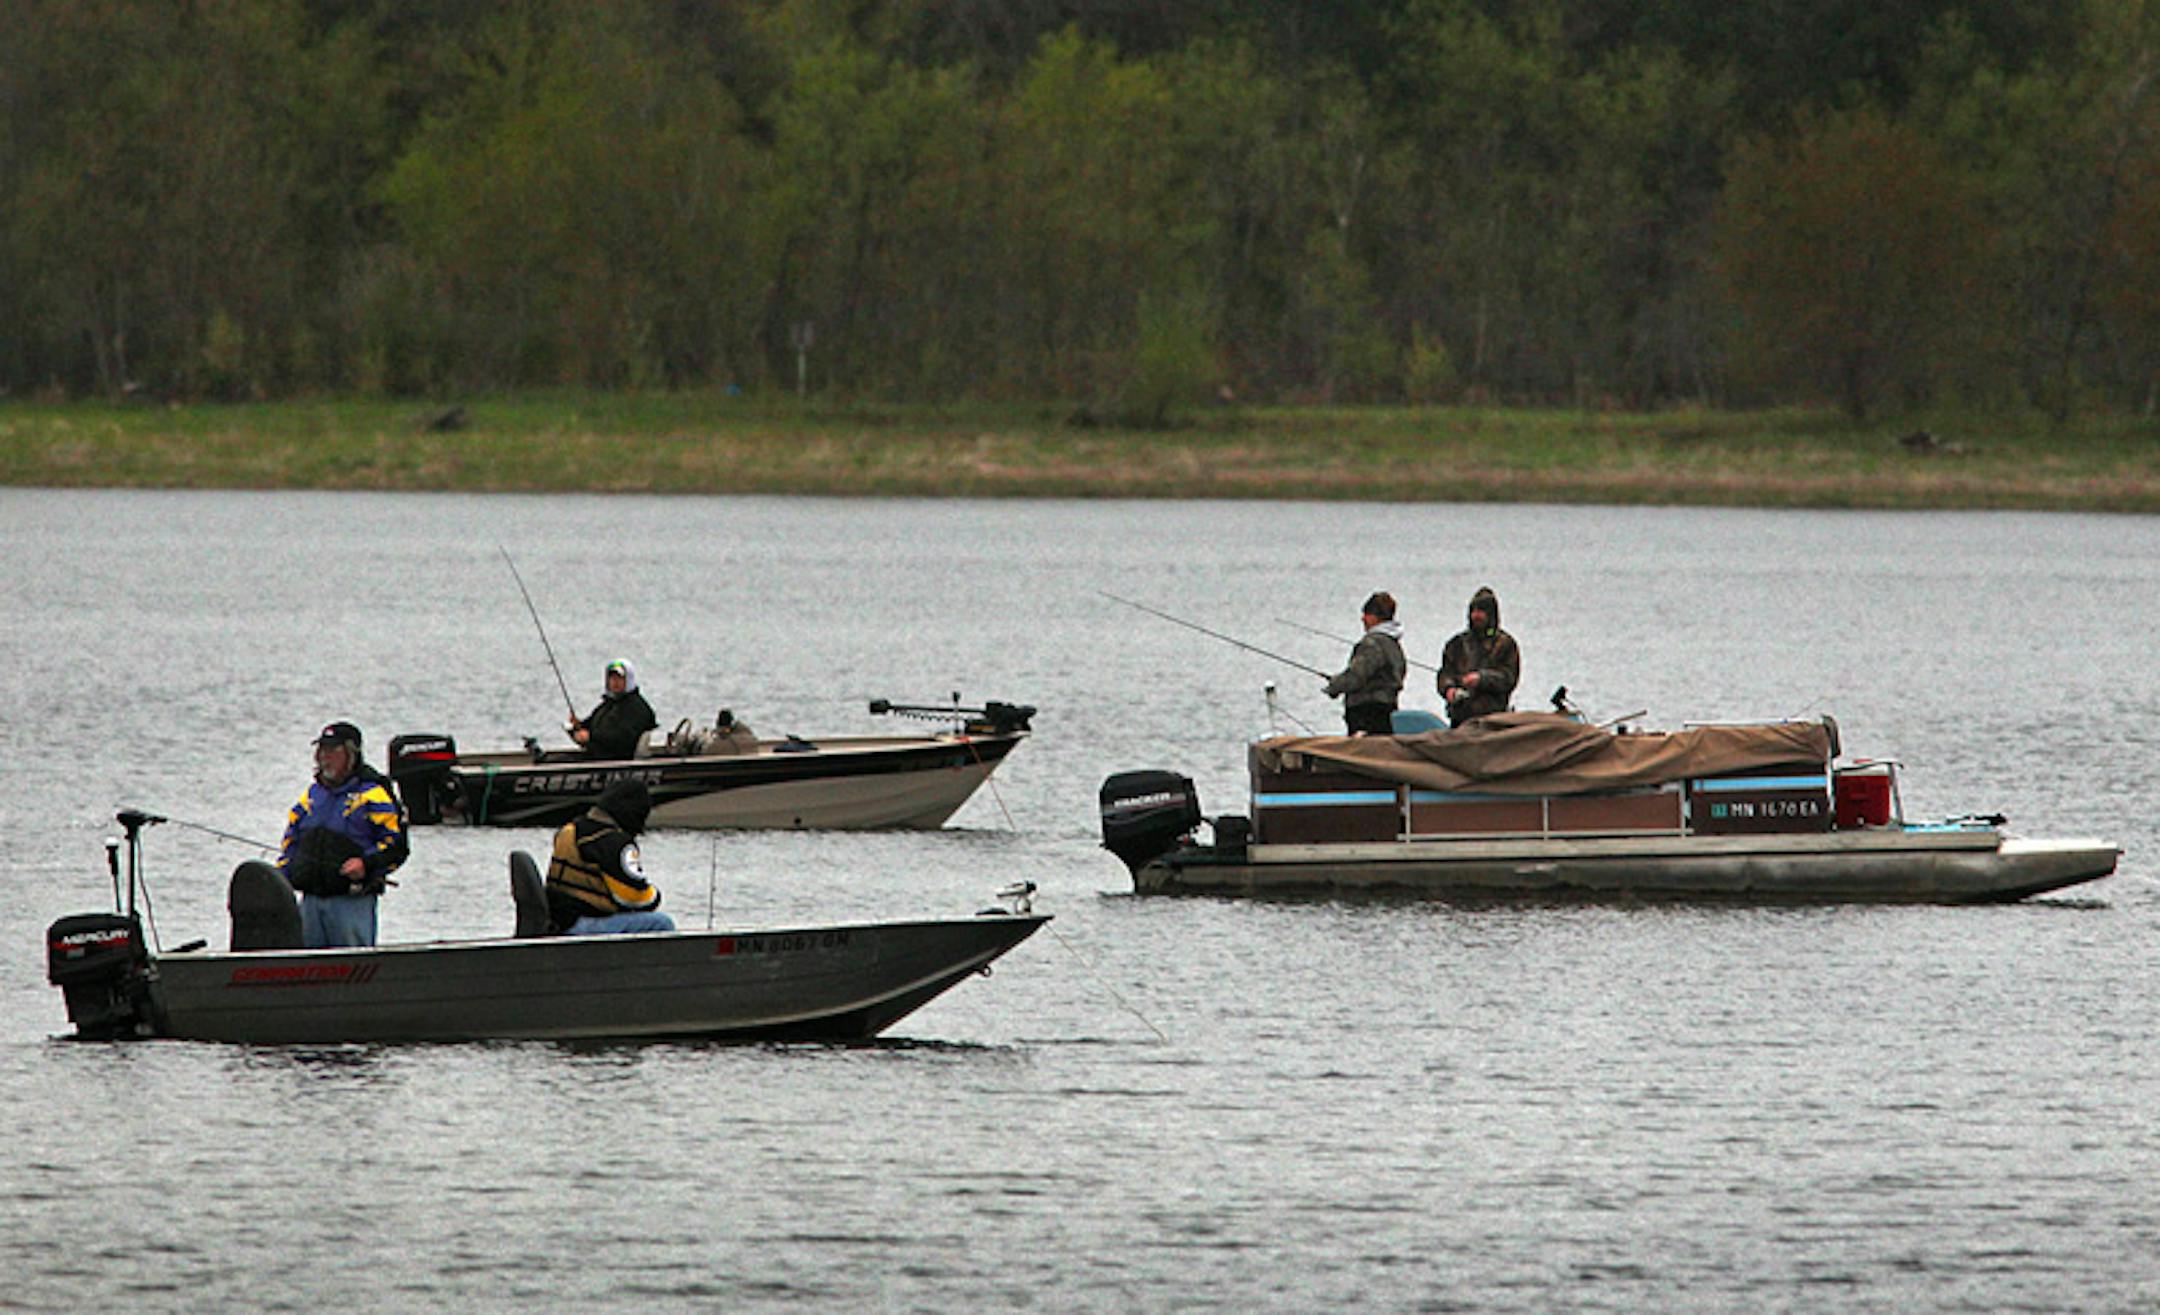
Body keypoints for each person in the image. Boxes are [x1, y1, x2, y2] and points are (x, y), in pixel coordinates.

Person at [277, 721, 410, 948]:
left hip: (351, 902)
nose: (323, 757)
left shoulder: (374, 794)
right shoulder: (312, 794)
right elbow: (292, 838)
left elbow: (397, 847)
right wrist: (282, 876)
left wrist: (365, 864)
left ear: (351, 754)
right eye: (321, 751)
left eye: (332, 751)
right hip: (310, 902)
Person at [544, 778, 677, 936]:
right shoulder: (615, 842)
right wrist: (655, 894)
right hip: (581, 925)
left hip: (559, 920)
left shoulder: (570, 830)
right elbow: (635, 898)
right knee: (662, 922)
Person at [1322, 591, 1407, 735]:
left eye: (1366, 614)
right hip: (1388, 708)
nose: (1362, 618)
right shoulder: (1393, 644)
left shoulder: (1372, 643)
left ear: (1375, 617)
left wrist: (1334, 686)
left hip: (1366, 713)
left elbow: (1356, 676)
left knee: (1365, 753)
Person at [1438, 585, 1520, 728]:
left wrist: (1481, 679)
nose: (1476, 615)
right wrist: (1449, 689)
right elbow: (1445, 673)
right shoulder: (1457, 644)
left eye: (1481, 611)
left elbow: (1509, 678)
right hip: (1461, 719)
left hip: (1493, 719)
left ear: (1490, 614)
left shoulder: (1505, 644)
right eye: (1473, 611)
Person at [570, 658, 657, 760]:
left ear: (629, 680)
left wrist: (591, 736)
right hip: (598, 756)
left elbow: (621, 738)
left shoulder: (636, 708)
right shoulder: (608, 704)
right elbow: (591, 724)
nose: (615, 682)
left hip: (616, 761)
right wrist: (578, 726)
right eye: (612, 678)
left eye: (619, 678)